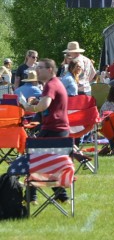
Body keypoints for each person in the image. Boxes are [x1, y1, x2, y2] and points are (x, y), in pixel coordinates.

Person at [18, 58, 70, 204]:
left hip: (53, 129)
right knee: (45, 163)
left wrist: (28, 107)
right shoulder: (55, 83)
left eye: (40, 67)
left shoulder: (51, 85)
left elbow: (44, 106)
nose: (37, 70)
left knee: (35, 159)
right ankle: (61, 196)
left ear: (49, 70)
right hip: (58, 129)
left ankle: (31, 197)